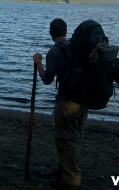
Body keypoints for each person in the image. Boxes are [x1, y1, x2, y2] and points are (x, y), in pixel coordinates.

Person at [33, 18, 88, 189]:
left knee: (66, 139)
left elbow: (47, 79)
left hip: (67, 102)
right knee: (74, 137)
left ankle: (71, 179)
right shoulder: (76, 48)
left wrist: (38, 63)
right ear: (65, 31)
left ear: (51, 34)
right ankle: (64, 170)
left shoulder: (54, 52)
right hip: (83, 101)